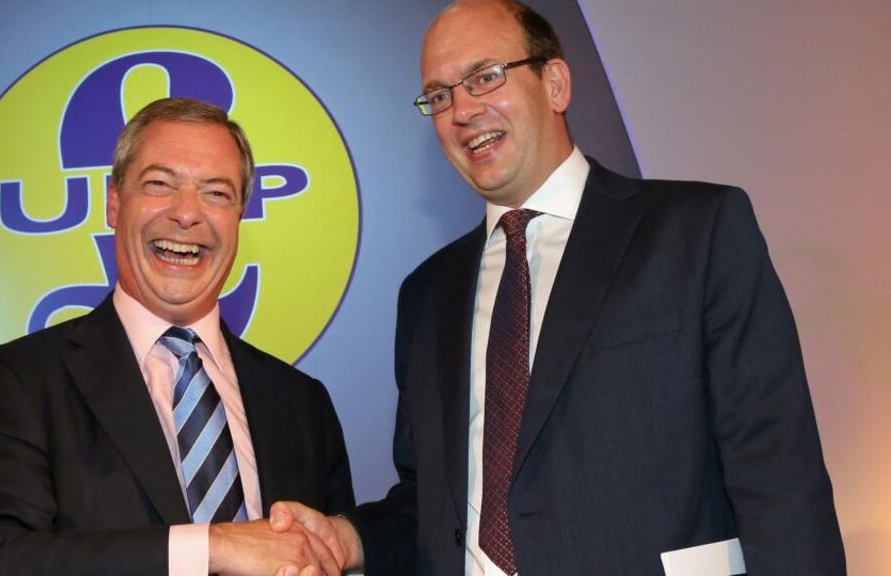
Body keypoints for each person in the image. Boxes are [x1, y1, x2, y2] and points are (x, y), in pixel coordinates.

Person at [269, 1, 845, 574]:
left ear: (556, 83)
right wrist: (347, 539)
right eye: (440, 96)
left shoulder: (696, 230)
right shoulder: (426, 294)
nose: (462, 109)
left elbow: (777, 473)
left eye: (485, 77)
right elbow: (429, 502)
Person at [0, 98, 355, 576]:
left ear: (241, 214)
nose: (186, 214)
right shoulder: (24, 379)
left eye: (216, 193)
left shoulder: (302, 403)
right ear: (114, 202)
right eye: (159, 184)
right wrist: (210, 548)